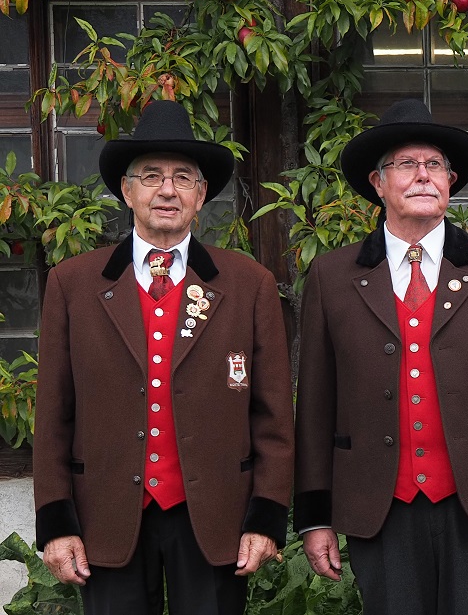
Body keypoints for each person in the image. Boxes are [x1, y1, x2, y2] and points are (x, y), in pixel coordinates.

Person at [293, 98, 468, 615]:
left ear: (450, 181)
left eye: (435, 164)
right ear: (378, 182)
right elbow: (317, 405)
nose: (423, 176)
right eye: (407, 164)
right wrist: (315, 515)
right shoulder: (333, 275)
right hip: (379, 502)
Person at [33, 100, 293, 614]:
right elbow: (54, 416)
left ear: (201, 194)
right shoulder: (73, 284)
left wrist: (265, 517)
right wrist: (56, 523)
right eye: (151, 176)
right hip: (106, 515)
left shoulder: (249, 285)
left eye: (183, 178)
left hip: (215, 516)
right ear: (127, 191)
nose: (167, 190)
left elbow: (273, 419)